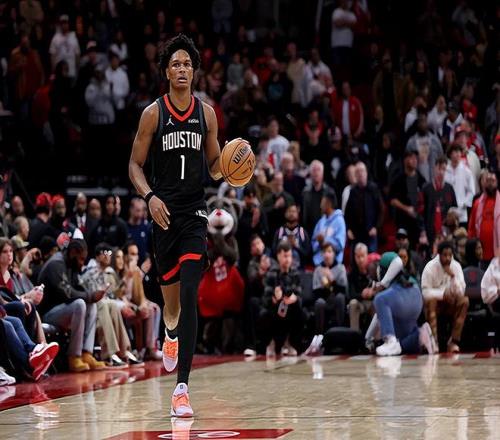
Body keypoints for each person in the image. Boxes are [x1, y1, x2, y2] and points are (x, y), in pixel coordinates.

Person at [129, 34, 236, 417]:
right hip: (163, 215)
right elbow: (134, 165)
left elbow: (214, 166)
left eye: (187, 64)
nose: (182, 69)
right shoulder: (153, 114)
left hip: (193, 214)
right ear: (166, 72)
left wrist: (232, 167)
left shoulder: (207, 114)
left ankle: (181, 390)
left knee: (191, 292)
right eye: (175, 64)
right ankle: (170, 332)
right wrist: (149, 197)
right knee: (171, 308)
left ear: (194, 71)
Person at [38, 239, 106, 372]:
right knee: (80, 304)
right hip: (47, 313)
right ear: (73, 252)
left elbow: (78, 288)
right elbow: (67, 293)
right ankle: (74, 356)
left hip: (63, 309)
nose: (82, 263)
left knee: (91, 305)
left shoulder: (71, 263)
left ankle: (86, 353)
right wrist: (90, 296)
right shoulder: (56, 264)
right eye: (81, 259)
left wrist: (92, 295)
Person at [364, 252, 435, 356]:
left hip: (404, 299)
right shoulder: (406, 278)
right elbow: (380, 314)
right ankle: (420, 335)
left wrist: (383, 283)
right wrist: (368, 338)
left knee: (380, 299)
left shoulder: (391, 280)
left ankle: (390, 341)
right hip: (416, 301)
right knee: (402, 340)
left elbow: (397, 262)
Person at [421, 241, 468, 353]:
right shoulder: (430, 267)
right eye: (445, 255)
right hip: (435, 304)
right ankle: (434, 342)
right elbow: (425, 292)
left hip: (450, 303)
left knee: (464, 301)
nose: (447, 258)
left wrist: (453, 277)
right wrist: (443, 295)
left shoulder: (456, 266)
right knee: (431, 301)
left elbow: (461, 291)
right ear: (439, 254)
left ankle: (453, 341)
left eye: (450, 255)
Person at [306, 243, 348, 354]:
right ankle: (319, 338)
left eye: (329, 252)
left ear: (334, 254)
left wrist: (332, 280)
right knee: (319, 303)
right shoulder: (318, 269)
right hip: (324, 300)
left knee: (340, 298)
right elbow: (316, 292)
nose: (327, 255)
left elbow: (343, 290)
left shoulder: (340, 268)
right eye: (324, 252)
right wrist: (328, 287)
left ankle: (340, 336)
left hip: (337, 300)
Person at [263, 241, 303, 356]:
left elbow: (299, 294)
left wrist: (295, 298)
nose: (288, 259)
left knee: (299, 311)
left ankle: (289, 343)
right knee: (269, 312)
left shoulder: (295, 273)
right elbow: (266, 298)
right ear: (278, 256)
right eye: (285, 256)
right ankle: (272, 343)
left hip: (290, 307)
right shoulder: (272, 273)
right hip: (275, 308)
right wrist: (275, 298)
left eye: (290, 256)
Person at [345, 161, 384, 252]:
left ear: (366, 173)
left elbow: (382, 210)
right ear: (355, 175)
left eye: (362, 171)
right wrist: (348, 229)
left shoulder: (373, 188)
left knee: (371, 259)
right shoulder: (352, 191)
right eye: (357, 172)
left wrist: (376, 227)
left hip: (370, 233)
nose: (360, 174)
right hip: (356, 234)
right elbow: (347, 213)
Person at [422, 156, 458, 245]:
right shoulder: (426, 188)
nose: (441, 172)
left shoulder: (449, 188)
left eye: (444, 169)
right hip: (430, 231)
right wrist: (423, 232)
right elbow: (421, 213)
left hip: (446, 232)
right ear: (435, 168)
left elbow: (454, 209)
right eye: (439, 168)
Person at [468, 171, 500, 263]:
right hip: (481, 254)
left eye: (492, 181)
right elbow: (471, 228)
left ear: (497, 182)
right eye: (488, 180)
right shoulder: (477, 203)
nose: (490, 183)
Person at [444, 143, 476, 226]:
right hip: (447, 214)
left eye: (459, 151)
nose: (458, 154)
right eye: (455, 151)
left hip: (461, 214)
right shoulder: (445, 171)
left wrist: (463, 204)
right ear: (450, 154)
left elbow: (472, 191)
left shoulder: (467, 171)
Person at [312, 192, 346, 267]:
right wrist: (319, 243)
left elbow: (340, 246)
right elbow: (313, 243)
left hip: (334, 264)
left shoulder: (339, 221)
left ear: (329, 204)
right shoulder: (321, 222)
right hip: (319, 263)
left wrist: (324, 242)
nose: (320, 206)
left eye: (322, 203)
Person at [272, 204, 310, 270]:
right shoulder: (280, 232)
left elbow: (307, 254)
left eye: (294, 211)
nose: (291, 213)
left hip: (299, 270)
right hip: (282, 269)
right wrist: (284, 246)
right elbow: (273, 252)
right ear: (285, 214)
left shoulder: (302, 232)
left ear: (298, 214)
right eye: (289, 211)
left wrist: (296, 245)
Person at [302, 160, 335, 235]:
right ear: (310, 173)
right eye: (314, 170)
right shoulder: (305, 192)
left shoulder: (330, 192)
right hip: (309, 231)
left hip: (326, 231)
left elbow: (334, 213)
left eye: (318, 170)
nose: (316, 173)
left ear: (322, 173)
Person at [348, 243, 374, 331]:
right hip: (359, 303)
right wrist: (362, 295)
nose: (361, 259)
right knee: (352, 303)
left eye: (362, 256)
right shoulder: (352, 273)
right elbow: (351, 295)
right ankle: (354, 334)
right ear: (355, 257)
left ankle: (375, 337)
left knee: (379, 302)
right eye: (358, 257)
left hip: (372, 302)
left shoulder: (373, 270)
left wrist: (372, 292)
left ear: (367, 255)